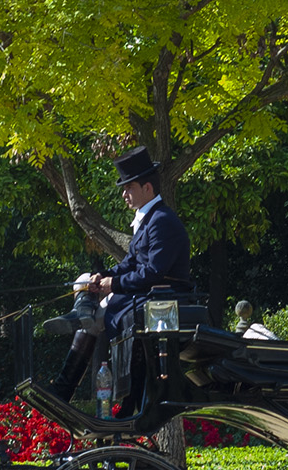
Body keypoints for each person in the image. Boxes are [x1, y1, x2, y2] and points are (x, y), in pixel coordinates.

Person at [44, 146, 192, 401]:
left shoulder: (162, 221)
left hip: (164, 298)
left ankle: (65, 384)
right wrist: (102, 277)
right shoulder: (149, 221)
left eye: (129, 188)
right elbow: (129, 263)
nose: (124, 194)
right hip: (146, 293)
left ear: (147, 188)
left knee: (101, 314)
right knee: (86, 282)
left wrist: (115, 285)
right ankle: (81, 320)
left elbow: (154, 272)